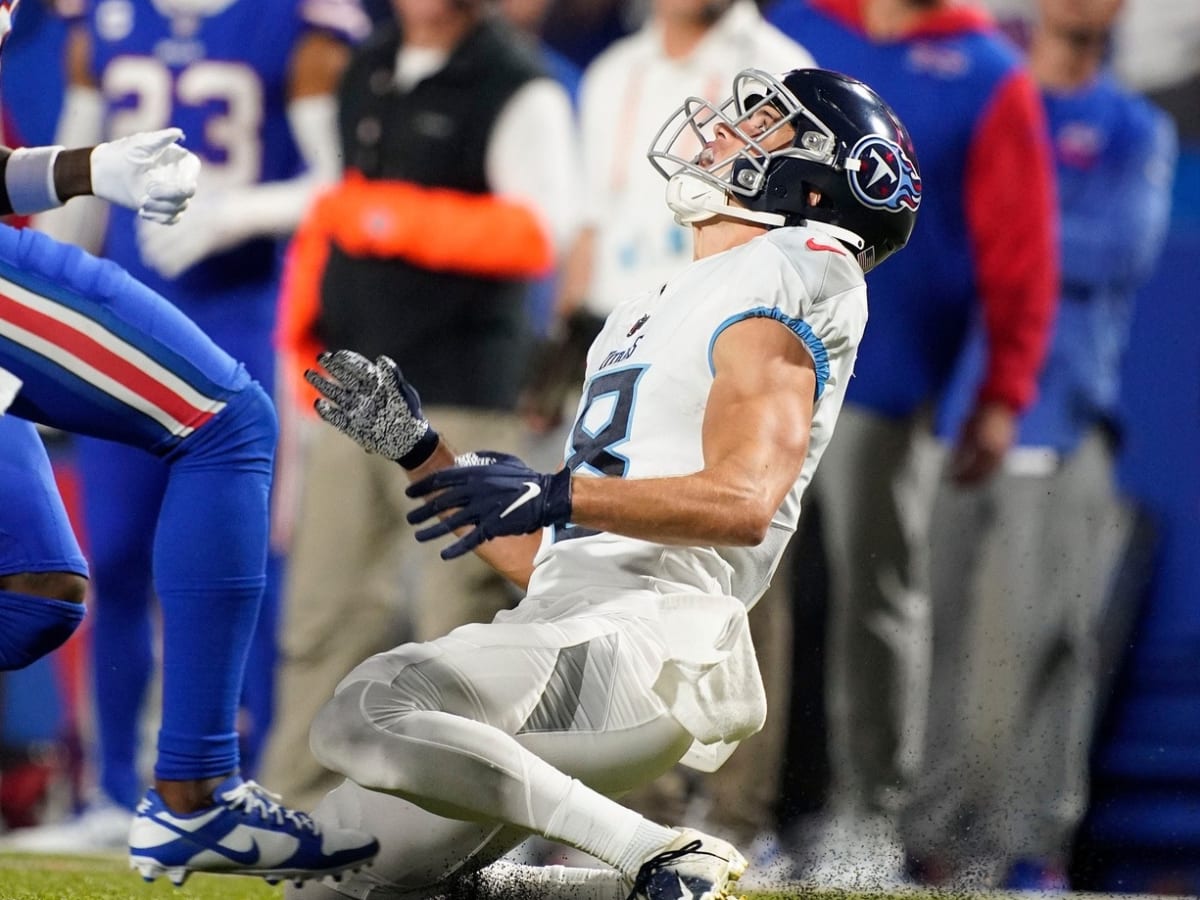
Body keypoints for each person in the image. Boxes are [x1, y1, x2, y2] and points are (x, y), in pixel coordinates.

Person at [288, 65, 922, 900]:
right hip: (573, 632)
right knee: (329, 878)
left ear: (817, 189)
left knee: (367, 704)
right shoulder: (650, 305)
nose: (727, 130)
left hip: (652, 641)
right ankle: (620, 886)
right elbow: (557, 559)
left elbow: (744, 501)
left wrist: (557, 491)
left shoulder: (798, 266)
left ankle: (659, 852)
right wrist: (420, 452)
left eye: (765, 126)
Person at [0, 0, 378, 885]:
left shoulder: (294, 26)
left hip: (233, 294)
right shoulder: (105, 24)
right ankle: (195, 799)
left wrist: (89, 168)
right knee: (227, 423)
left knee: (38, 595)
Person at [765, 0, 1059, 885]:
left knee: (874, 600)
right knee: (741, 591)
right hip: (763, 353)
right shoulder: (791, 27)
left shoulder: (987, 70)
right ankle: (740, 807)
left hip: (886, 377)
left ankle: (866, 814)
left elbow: (1020, 247)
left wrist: (1004, 391)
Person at [262, 0, 577, 813]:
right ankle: (300, 809)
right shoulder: (368, 63)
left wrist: (392, 216)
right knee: (327, 613)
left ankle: (470, 820)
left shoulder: (518, 83)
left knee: (465, 625)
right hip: (357, 387)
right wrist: (307, 333)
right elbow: (337, 221)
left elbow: (541, 231)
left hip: (466, 391)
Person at [519, 0, 813, 867]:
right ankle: (631, 816)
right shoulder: (614, 71)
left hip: (730, 331)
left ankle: (737, 817)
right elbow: (592, 220)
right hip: (622, 333)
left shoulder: (780, 65)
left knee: (734, 571)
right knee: (603, 564)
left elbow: (797, 234)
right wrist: (563, 332)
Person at [905, 0, 1178, 889]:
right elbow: (937, 239)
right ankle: (932, 844)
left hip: (1061, 419)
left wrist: (1008, 224)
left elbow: (1117, 251)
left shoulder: (1133, 128)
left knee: (1045, 639)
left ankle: (1029, 851)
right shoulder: (993, 102)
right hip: (945, 412)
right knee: (929, 639)